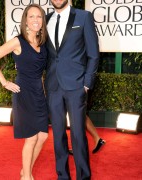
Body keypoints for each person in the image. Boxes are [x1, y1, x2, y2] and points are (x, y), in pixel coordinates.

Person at [0, 4, 48, 180]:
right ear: (26, 21)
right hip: (23, 92)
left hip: (39, 92)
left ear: (42, 20)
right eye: (32, 17)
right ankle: (26, 177)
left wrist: (43, 93)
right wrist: (4, 82)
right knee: (31, 138)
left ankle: (25, 170)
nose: (36, 20)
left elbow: (41, 72)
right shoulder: (17, 41)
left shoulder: (42, 43)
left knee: (42, 136)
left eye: (39, 17)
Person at [45, 0, 99, 179]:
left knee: (77, 135)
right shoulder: (45, 19)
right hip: (53, 86)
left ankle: (83, 176)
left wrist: (86, 83)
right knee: (58, 135)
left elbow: (93, 54)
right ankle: (62, 176)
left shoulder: (83, 17)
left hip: (76, 85)